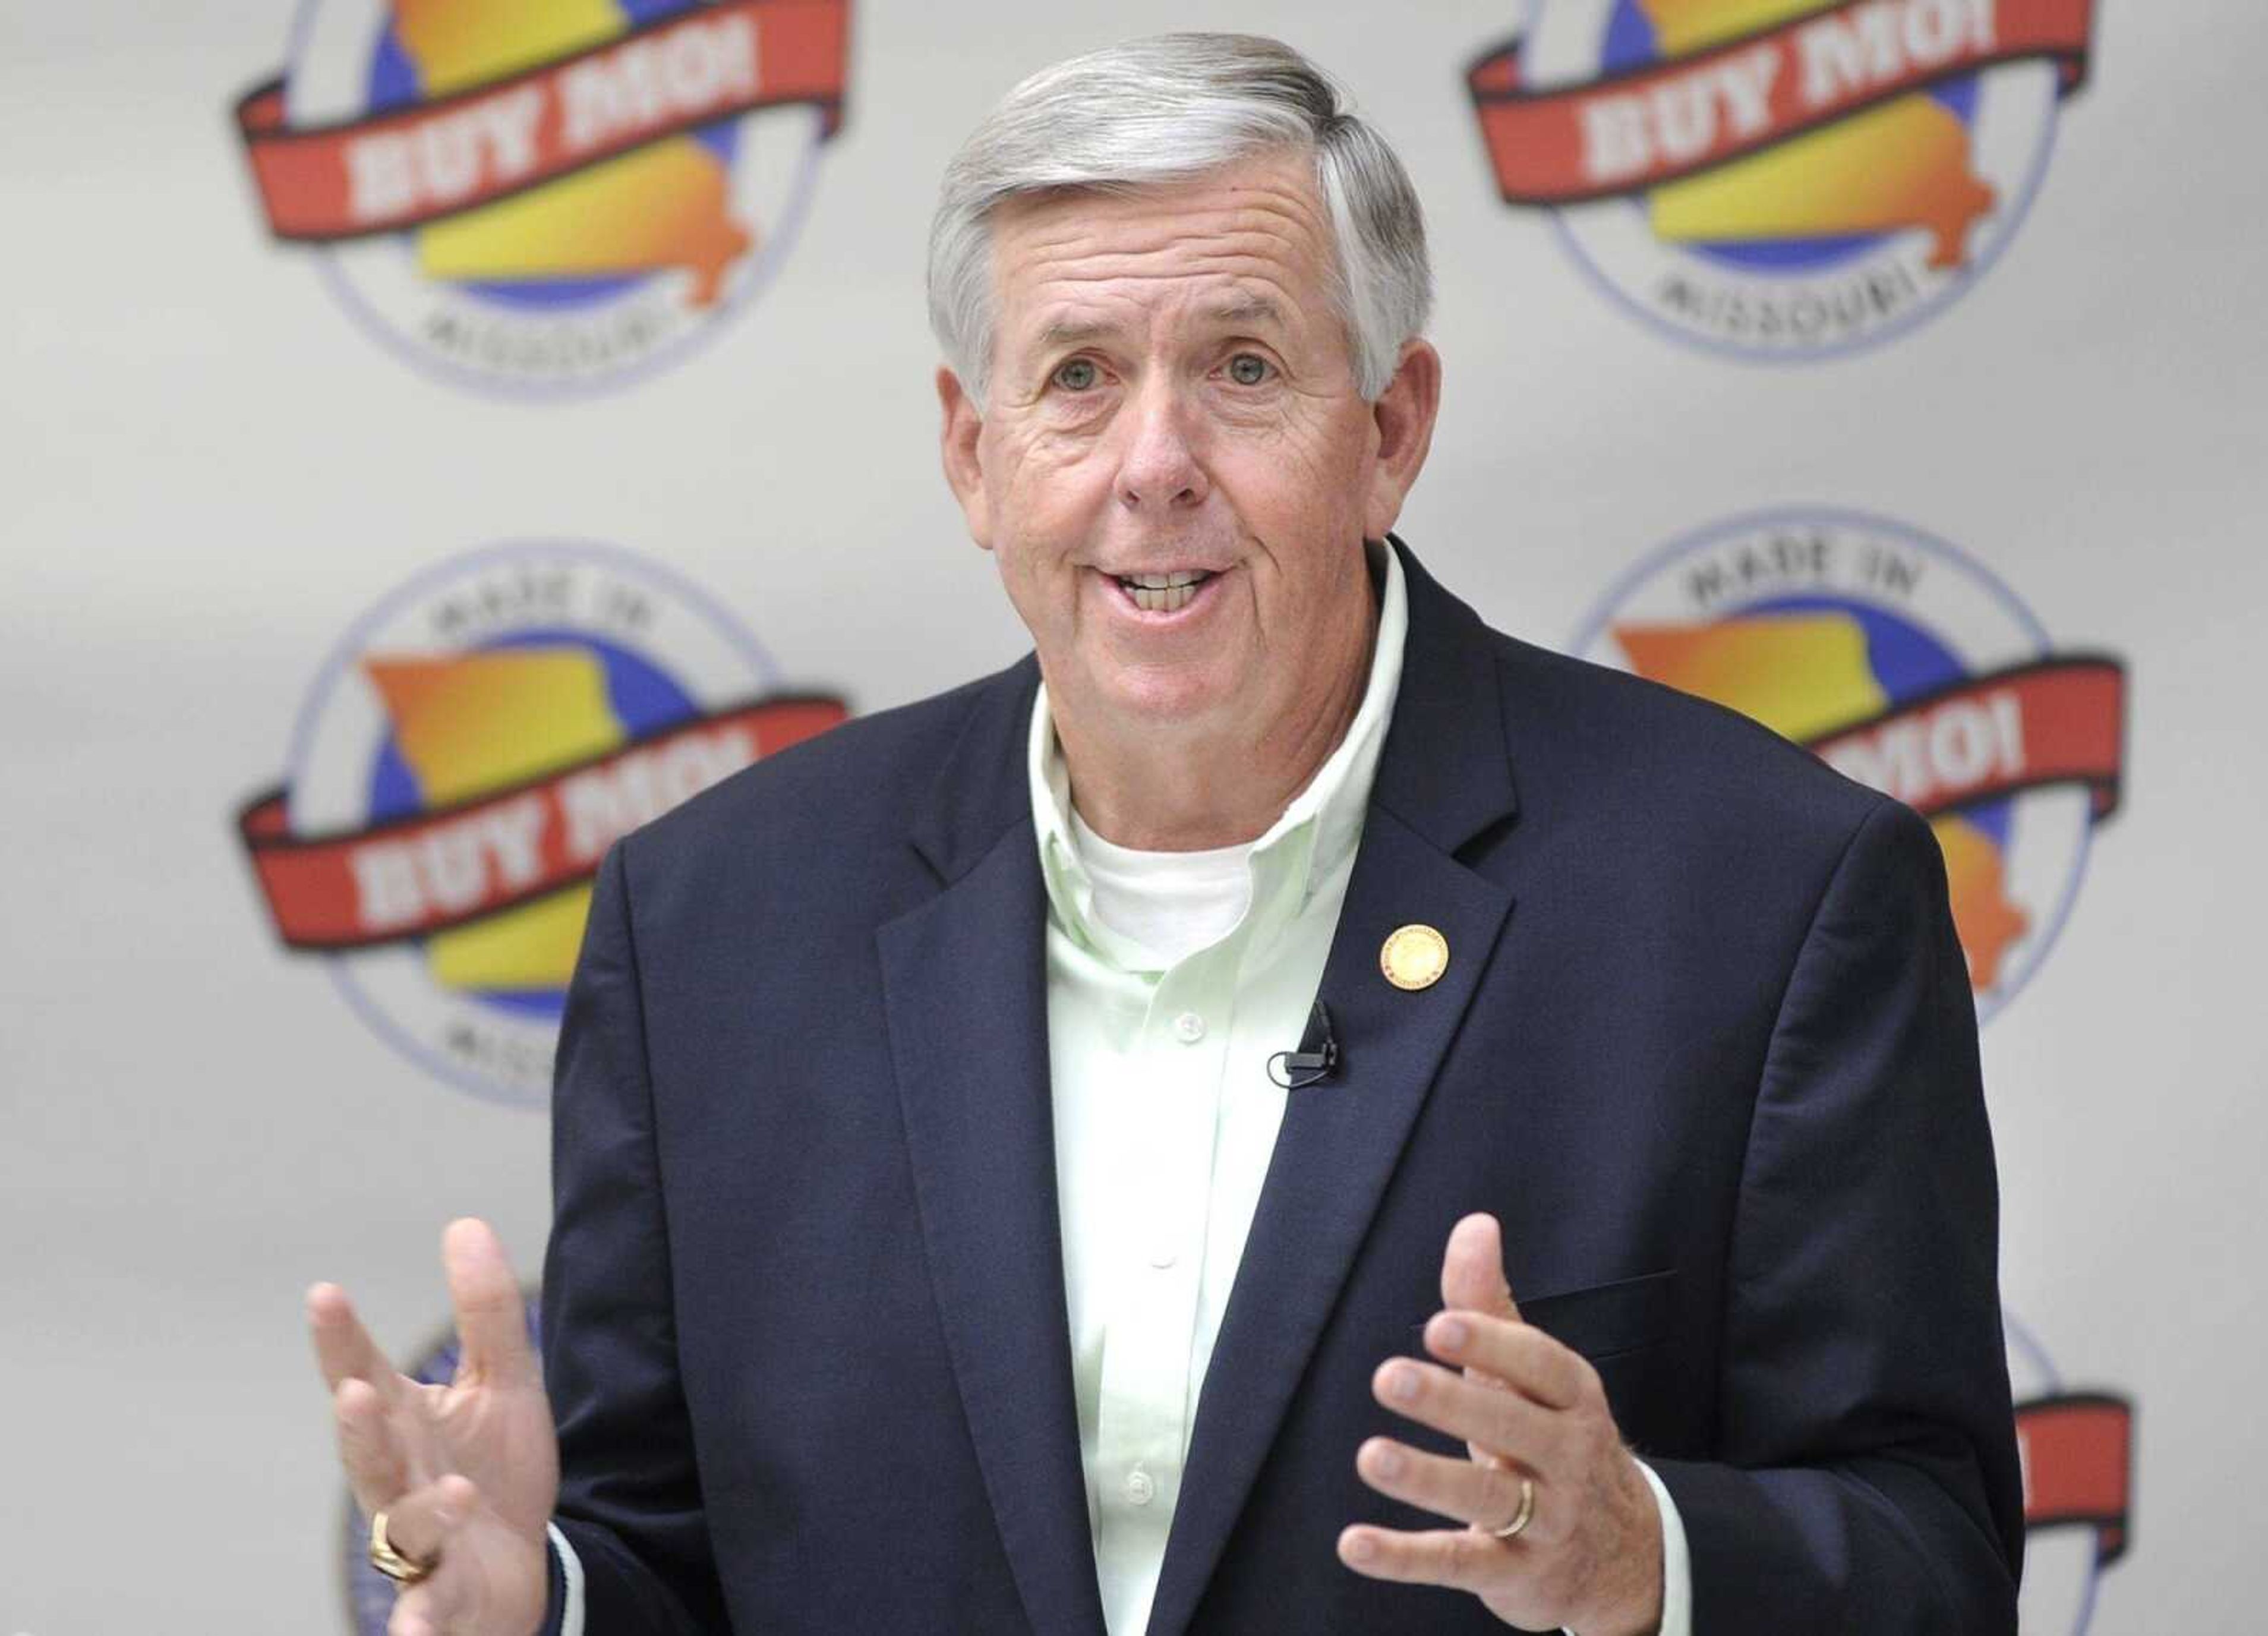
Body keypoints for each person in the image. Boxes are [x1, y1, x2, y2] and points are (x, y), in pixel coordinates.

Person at [306, 33, 2023, 1636]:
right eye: (1078, 379)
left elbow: (1933, 1549)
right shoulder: (714, 932)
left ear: (1392, 431)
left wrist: (1646, 1551)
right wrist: (540, 1598)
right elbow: (673, 1561)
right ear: (977, 457)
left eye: (1245, 366)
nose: (1156, 463)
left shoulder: (1766, 899)